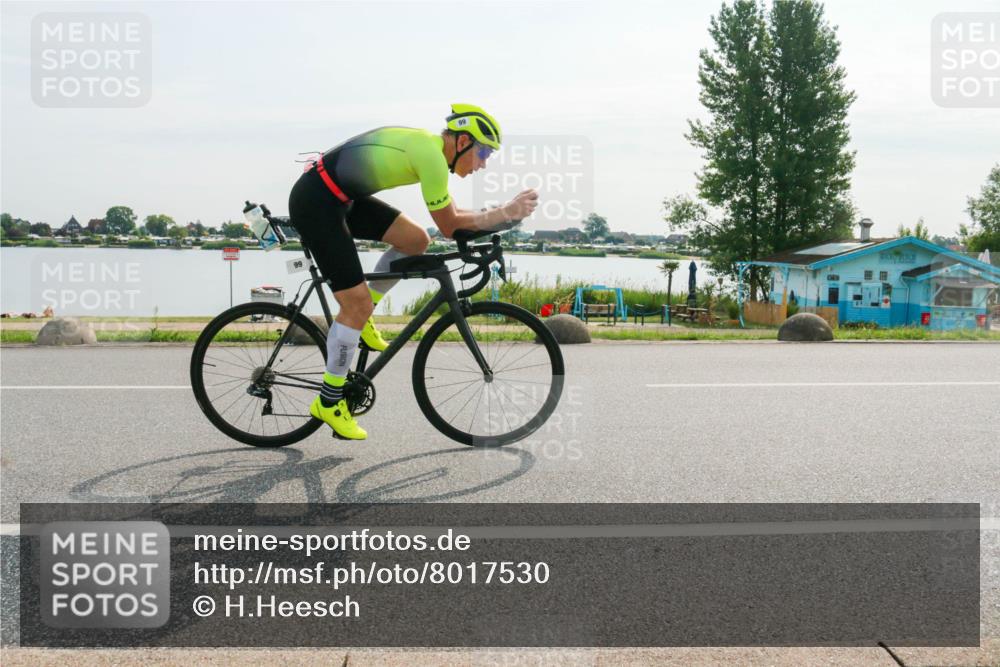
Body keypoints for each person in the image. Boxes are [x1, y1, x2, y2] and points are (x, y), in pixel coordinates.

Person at [288, 104, 538, 440]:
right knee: (355, 304)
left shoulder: (431, 151)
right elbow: (450, 225)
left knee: (415, 240)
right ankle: (329, 402)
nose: (483, 164)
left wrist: (502, 214)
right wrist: (505, 212)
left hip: (341, 198)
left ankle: (363, 318)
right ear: (463, 141)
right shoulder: (431, 156)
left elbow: (453, 215)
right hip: (316, 202)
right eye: (483, 153)